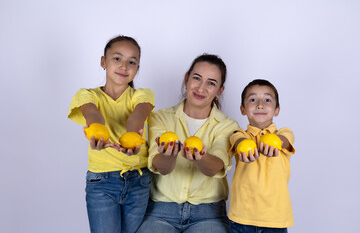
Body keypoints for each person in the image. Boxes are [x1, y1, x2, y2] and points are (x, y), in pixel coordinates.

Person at [137, 54, 239, 233]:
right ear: (186, 79)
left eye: (211, 83)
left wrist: (200, 157)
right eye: (196, 78)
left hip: (209, 214)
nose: (201, 88)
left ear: (219, 91)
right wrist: (169, 155)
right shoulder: (160, 117)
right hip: (160, 211)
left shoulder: (228, 126)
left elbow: (214, 167)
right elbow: (161, 167)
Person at [68, 35, 155, 233]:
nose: (124, 66)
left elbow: (137, 117)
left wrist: (131, 139)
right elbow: (93, 115)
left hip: (139, 181)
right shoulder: (87, 95)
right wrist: (99, 135)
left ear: (137, 69)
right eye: (117, 58)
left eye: (131, 62)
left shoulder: (143, 95)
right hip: (101, 183)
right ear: (103, 62)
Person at [228, 79, 296, 233]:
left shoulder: (284, 133)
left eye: (267, 100)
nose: (260, 104)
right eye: (252, 100)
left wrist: (276, 143)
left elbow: (285, 140)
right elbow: (238, 141)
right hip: (241, 218)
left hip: (275, 220)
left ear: (277, 110)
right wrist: (244, 147)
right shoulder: (239, 134)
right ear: (242, 109)